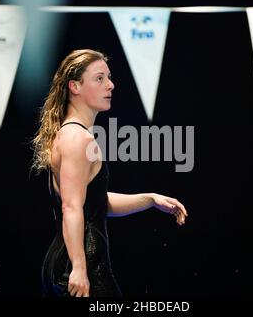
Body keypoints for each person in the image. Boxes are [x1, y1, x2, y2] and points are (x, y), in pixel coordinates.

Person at [31, 49, 188, 297]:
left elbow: (93, 203)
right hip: (83, 265)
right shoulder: (77, 138)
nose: (111, 85)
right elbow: (70, 207)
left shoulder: (72, 135)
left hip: (67, 263)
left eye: (109, 77)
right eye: (99, 78)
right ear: (75, 86)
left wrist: (150, 199)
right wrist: (80, 269)